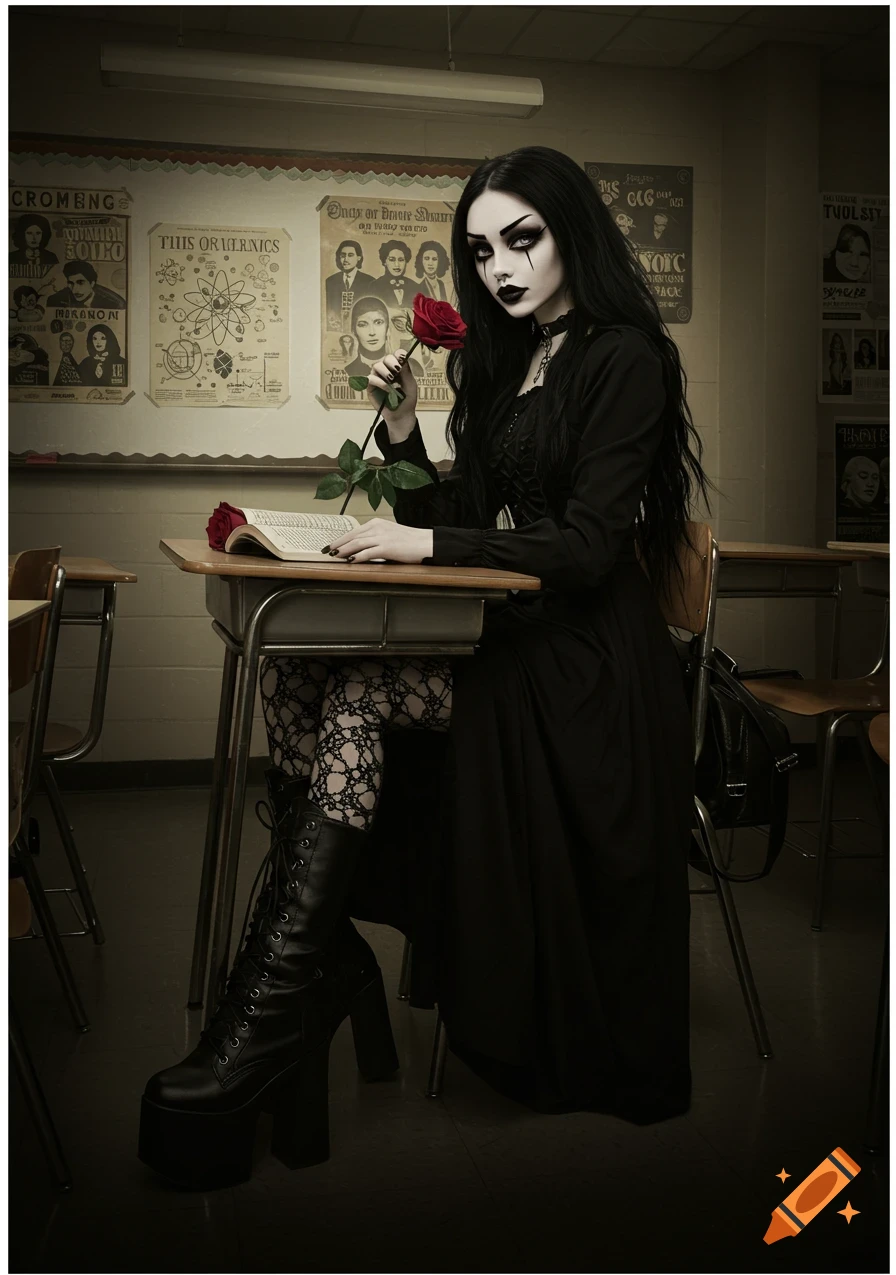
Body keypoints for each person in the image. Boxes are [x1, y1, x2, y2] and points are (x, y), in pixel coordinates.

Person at [139, 146, 709, 1190]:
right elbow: (453, 520)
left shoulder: (624, 355)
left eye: (521, 239)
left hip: (586, 664)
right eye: (480, 249)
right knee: (295, 670)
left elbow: (584, 547)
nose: (498, 267)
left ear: (570, 228)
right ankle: (309, 961)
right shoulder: (500, 363)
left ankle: (285, 994)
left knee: (353, 690)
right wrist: (405, 433)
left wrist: (429, 547)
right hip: (512, 635)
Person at [343, 295, 423, 378]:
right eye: (362, 325)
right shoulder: (348, 370)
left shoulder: (407, 368)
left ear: (387, 327)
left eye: (378, 322)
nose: (372, 332)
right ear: (354, 330)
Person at [325, 240, 377, 329]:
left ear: (358, 258)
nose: (346, 259)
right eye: (343, 255)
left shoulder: (370, 282)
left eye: (350, 255)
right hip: (336, 328)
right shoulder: (330, 281)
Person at [47, 260, 126, 310]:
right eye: (71, 283)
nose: (74, 290)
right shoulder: (55, 301)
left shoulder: (115, 304)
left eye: (80, 282)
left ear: (92, 283)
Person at [370, 239, 415, 310]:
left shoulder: (414, 286)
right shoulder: (374, 287)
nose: (397, 265)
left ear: (406, 261)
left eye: (401, 260)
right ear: (384, 262)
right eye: (392, 260)